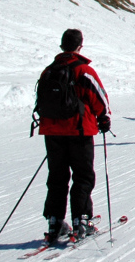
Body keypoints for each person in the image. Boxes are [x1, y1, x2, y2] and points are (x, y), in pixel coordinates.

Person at [34, 28, 110, 243]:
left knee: (57, 177)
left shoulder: (48, 70)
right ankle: (81, 220)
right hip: (79, 131)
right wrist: (104, 118)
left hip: (52, 131)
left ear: (61, 46)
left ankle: (55, 221)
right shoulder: (83, 70)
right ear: (80, 46)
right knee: (83, 175)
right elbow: (99, 98)